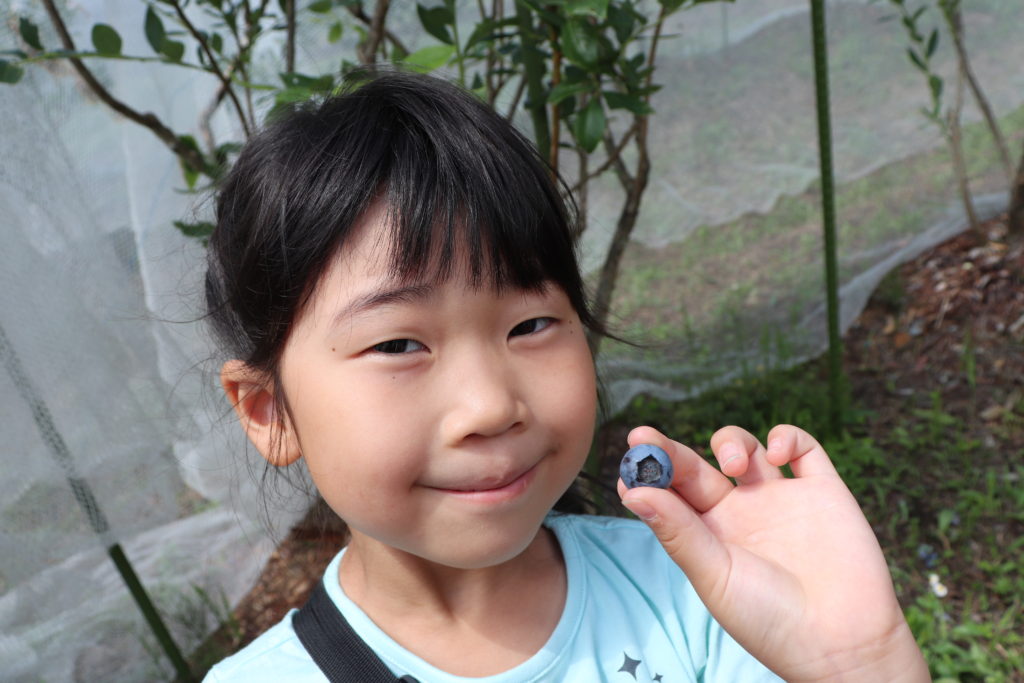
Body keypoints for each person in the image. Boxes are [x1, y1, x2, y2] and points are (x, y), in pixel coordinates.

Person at [202, 69, 929, 682]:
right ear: (271, 410)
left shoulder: (699, 590)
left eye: (530, 325)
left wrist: (860, 661)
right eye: (397, 343)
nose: (491, 405)